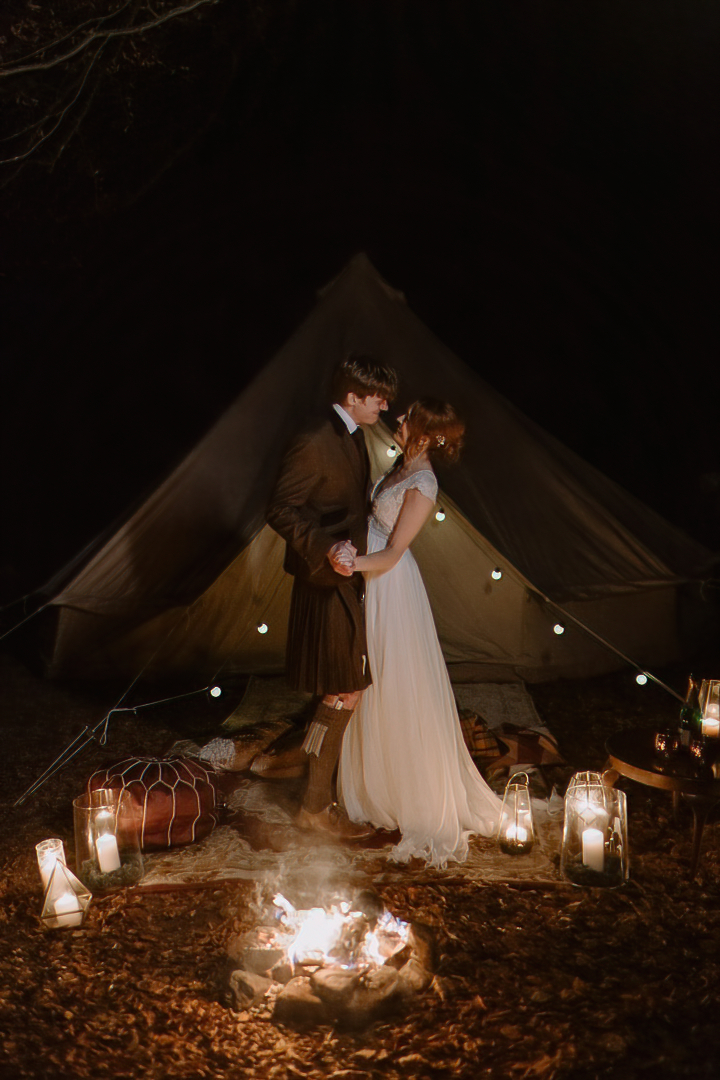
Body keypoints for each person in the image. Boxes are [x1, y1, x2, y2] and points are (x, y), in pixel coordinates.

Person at [338, 399, 503, 867]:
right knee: (367, 679)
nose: (399, 419)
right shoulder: (399, 465)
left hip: (389, 584)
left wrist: (349, 564)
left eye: (408, 417)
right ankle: (373, 783)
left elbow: (393, 553)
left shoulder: (424, 483)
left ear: (427, 435)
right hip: (371, 577)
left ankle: (408, 792)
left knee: (394, 681)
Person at [266, 353, 399, 840]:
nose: (384, 407)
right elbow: (280, 509)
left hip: (347, 578)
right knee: (343, 690)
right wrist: (327, 547)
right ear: (352, 396)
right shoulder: (314, 438)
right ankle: (316, 808)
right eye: (377, 398)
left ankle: (317, 801)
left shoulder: (354, 434)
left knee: (344, 690)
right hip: (324, 580)